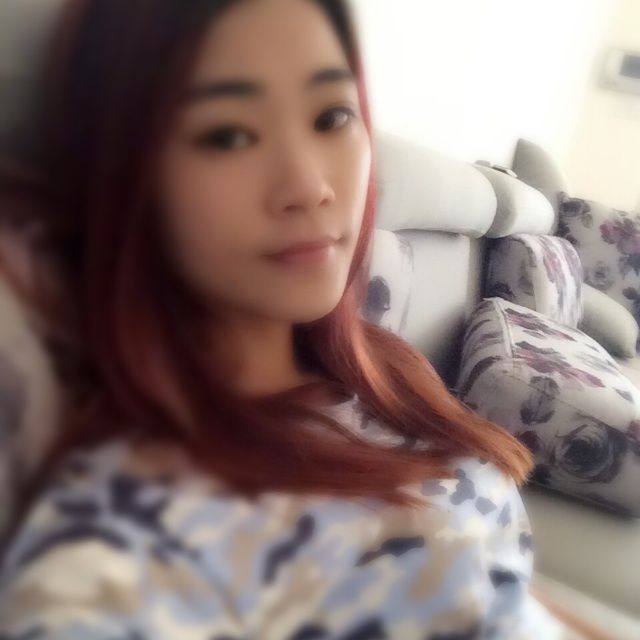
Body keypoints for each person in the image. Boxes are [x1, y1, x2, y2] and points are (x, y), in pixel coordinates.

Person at [0, 0, 566, 638]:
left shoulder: (384, 366)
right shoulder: (119, 542)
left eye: (332, 116)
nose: (310, 184)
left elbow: (505, 592)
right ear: (129, 173)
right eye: (228, 134)